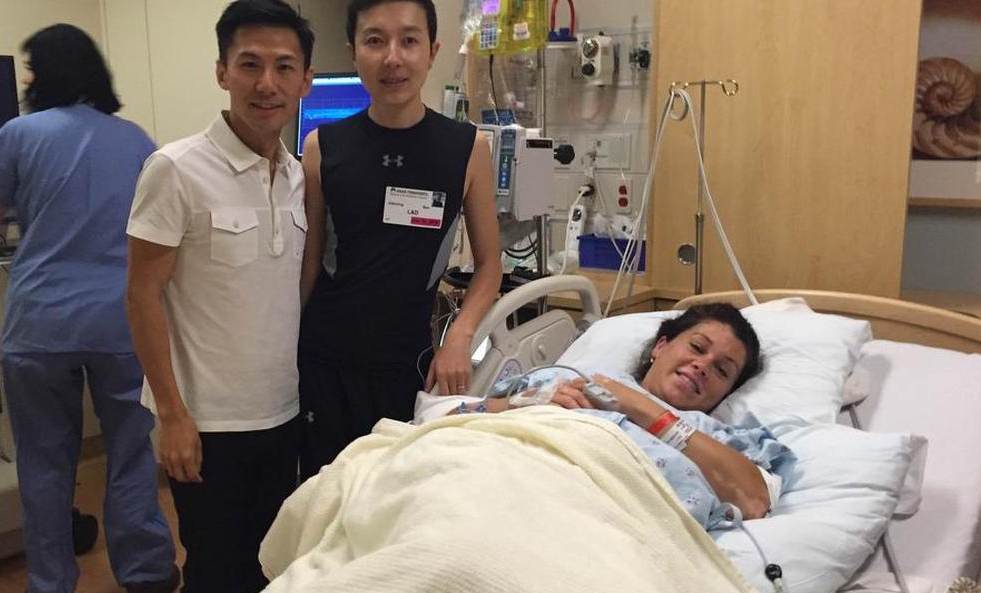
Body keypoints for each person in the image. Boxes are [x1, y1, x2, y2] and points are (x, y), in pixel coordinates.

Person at [0, 24, 178, 593]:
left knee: (44, 458)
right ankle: (143, 575)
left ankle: (51, 591)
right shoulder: (135, 139)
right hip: (121, 321)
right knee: (132, 451)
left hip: (40, 325)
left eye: (30, 68)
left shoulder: (19, 135)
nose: (26, 80)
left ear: (48, 72)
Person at [124, 1, 314, 593]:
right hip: (206, 425)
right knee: (211, 578)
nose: (267, 83)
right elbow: (141, 296)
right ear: (222, 72)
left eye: (284, 67)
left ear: (305, 80)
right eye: (250, 64)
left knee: (267, 571)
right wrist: (173, 416)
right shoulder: (175, 169)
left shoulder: (295, 176)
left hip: (280, 414)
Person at [297, 0, 503, 478]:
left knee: (395, 500)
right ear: (354, 53)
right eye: (375, 40)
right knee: (324, 501)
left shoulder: (467, 148)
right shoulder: (322, 149)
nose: (393, 57)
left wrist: (459, 338)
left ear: (431, 51)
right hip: (325, 363)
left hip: (409, 365)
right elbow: (309, 266)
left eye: (409, 40)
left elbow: (490, 265)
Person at [453, 303, 789, 525]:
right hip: (489, 480)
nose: (702, 365)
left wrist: (641, 407)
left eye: (722, 370)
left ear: (726, 392)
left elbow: (755, 499)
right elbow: (456, 417)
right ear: (660, 347)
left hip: (590, 520)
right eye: (697, 348)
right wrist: (526, 401)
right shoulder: (575, 375)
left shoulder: (713, 437)